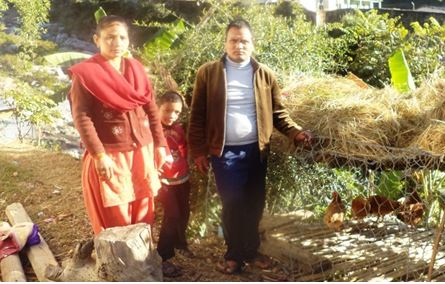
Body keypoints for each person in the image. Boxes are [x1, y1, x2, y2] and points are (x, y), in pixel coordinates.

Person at [187, 19, 313, 274]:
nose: (239, 45)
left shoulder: (264, 74)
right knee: (233, 202)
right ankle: (234, 254)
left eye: (244, 41)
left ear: (252, 44)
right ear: (225, 43)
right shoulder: (208, 73)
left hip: (257, 151)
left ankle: (251, 250)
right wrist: (198, 151)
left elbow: (279, 113)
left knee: (254, 203)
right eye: (233, 40)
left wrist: (295, 132)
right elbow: (197, 115)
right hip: (225, 152)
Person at [68, 15, 167, 236]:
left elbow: (151, 108)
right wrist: (99, 155)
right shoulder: (86, 75)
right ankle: (119, 266)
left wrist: (160, 144)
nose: (117, 43)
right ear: (97, 39)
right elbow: (82, 117)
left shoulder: (136, 68)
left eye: (122, 37)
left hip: (143, 149)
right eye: (110, 37)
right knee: (116, 210)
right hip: (111, 153)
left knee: (144, 207)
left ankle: (143, 260)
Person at [156, 90, 193, 277]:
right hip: (163, 181)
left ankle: (180, 243)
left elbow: (184, 148)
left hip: (182, 178)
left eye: (176, 112)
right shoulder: (151, 129)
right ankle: (163, 256)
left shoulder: (179, 127)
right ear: (157, 108)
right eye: (167, 110)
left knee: (184, 212)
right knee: (172, 215)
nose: (172, 115)